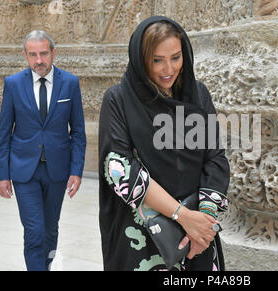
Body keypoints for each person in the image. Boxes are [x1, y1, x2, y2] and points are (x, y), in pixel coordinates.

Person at [98, 16, 230, 271]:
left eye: (176, 57)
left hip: (199, 233)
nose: (168, 69)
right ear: (141, 59)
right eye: (157, 60)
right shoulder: (119, 100)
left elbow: (215, 158)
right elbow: (121, 170)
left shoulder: (197, 94)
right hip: (145, 234)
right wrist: (183, 216)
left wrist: (204, 223)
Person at [0, 30, 86, 271]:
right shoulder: (13, 84)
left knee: (50, 229)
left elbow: (78, 132)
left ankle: (44, 266)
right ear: (25, 55)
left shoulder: (70, 83)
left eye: (44, 53)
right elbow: (4, 132)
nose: (39, 60)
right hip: (24, 170)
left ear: (53, 53)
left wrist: (76, 171)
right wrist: (2, 174)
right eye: (33, 54)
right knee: (34, 230)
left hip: (57, 170)